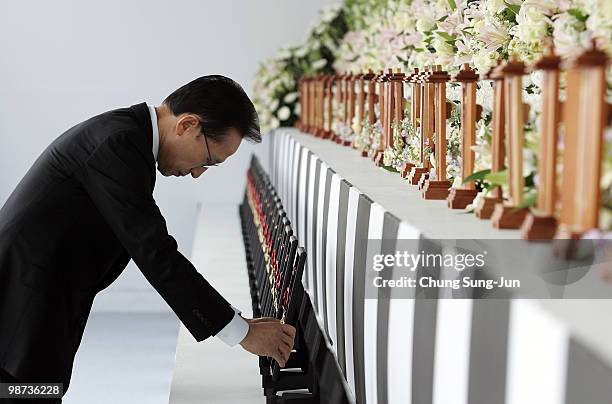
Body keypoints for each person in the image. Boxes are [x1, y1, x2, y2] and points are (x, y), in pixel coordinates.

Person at [0, 75, 295, 403]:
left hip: (41, 301)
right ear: (188, 125)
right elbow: (154, 251)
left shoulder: (128, 138)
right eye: (209, 160)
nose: (198, 173)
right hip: (20, 306)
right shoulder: (117, 144)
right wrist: (241, 331)